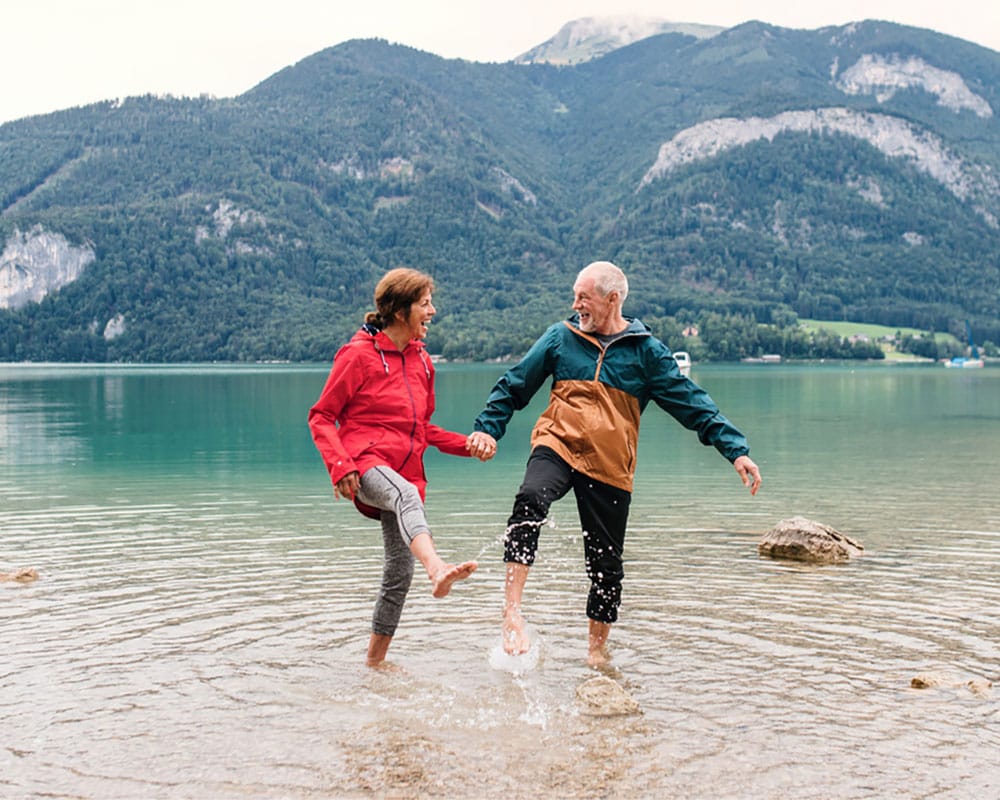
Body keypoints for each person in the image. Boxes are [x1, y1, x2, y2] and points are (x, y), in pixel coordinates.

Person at [467, 261, 762, 668]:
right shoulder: (561, 338)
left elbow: (692, 402)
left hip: (609, 465)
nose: (576, 305)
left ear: (612, 299)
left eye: (584, 298)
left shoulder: (646, 353)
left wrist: (735, 449)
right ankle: (512, 611)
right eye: (575, 296)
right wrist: (488, 428)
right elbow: (514, 384)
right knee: (531, 498)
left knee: (606, 563)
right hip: (558, 443)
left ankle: (596, 652)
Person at [309, 267, 496, 668]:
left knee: (398, 573)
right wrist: (339, 465)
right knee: (405, 496)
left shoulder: (423, 362)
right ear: (400, 311)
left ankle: (373, 666)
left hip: (406, 470)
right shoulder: (357, 355)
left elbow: (422, 429)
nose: (433, 310)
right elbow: (322, 416)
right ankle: (438, 568)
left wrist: (469, 445)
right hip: (364, 464)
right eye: (425, 303)